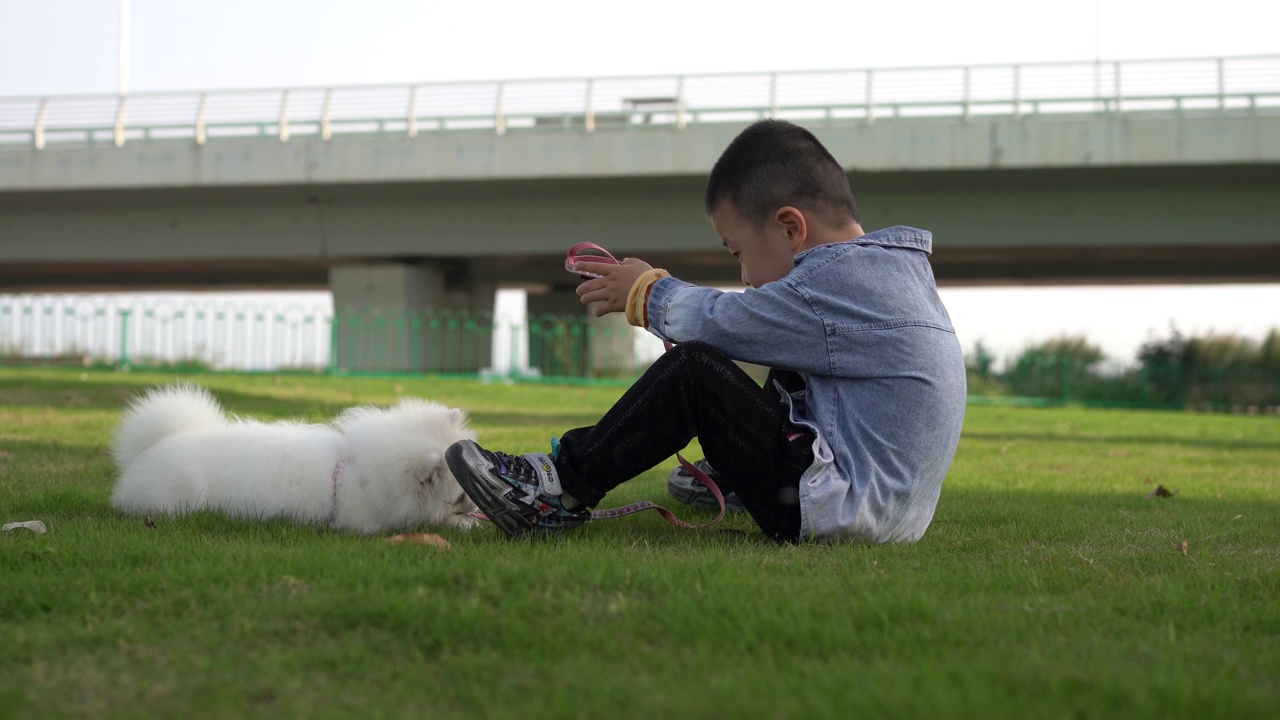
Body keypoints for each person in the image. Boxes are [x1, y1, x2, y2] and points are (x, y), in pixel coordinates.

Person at [445, 119, 967, 543]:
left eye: (738, 252)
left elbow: (726, 321)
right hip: (889, 512)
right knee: (785, 364)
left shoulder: (838, 282)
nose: (743, 275)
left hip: (839, 508)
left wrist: (648, 292)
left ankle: (555, 491)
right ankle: (733, 475)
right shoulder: (887, 276)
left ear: (791, 228)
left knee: (695, 371)